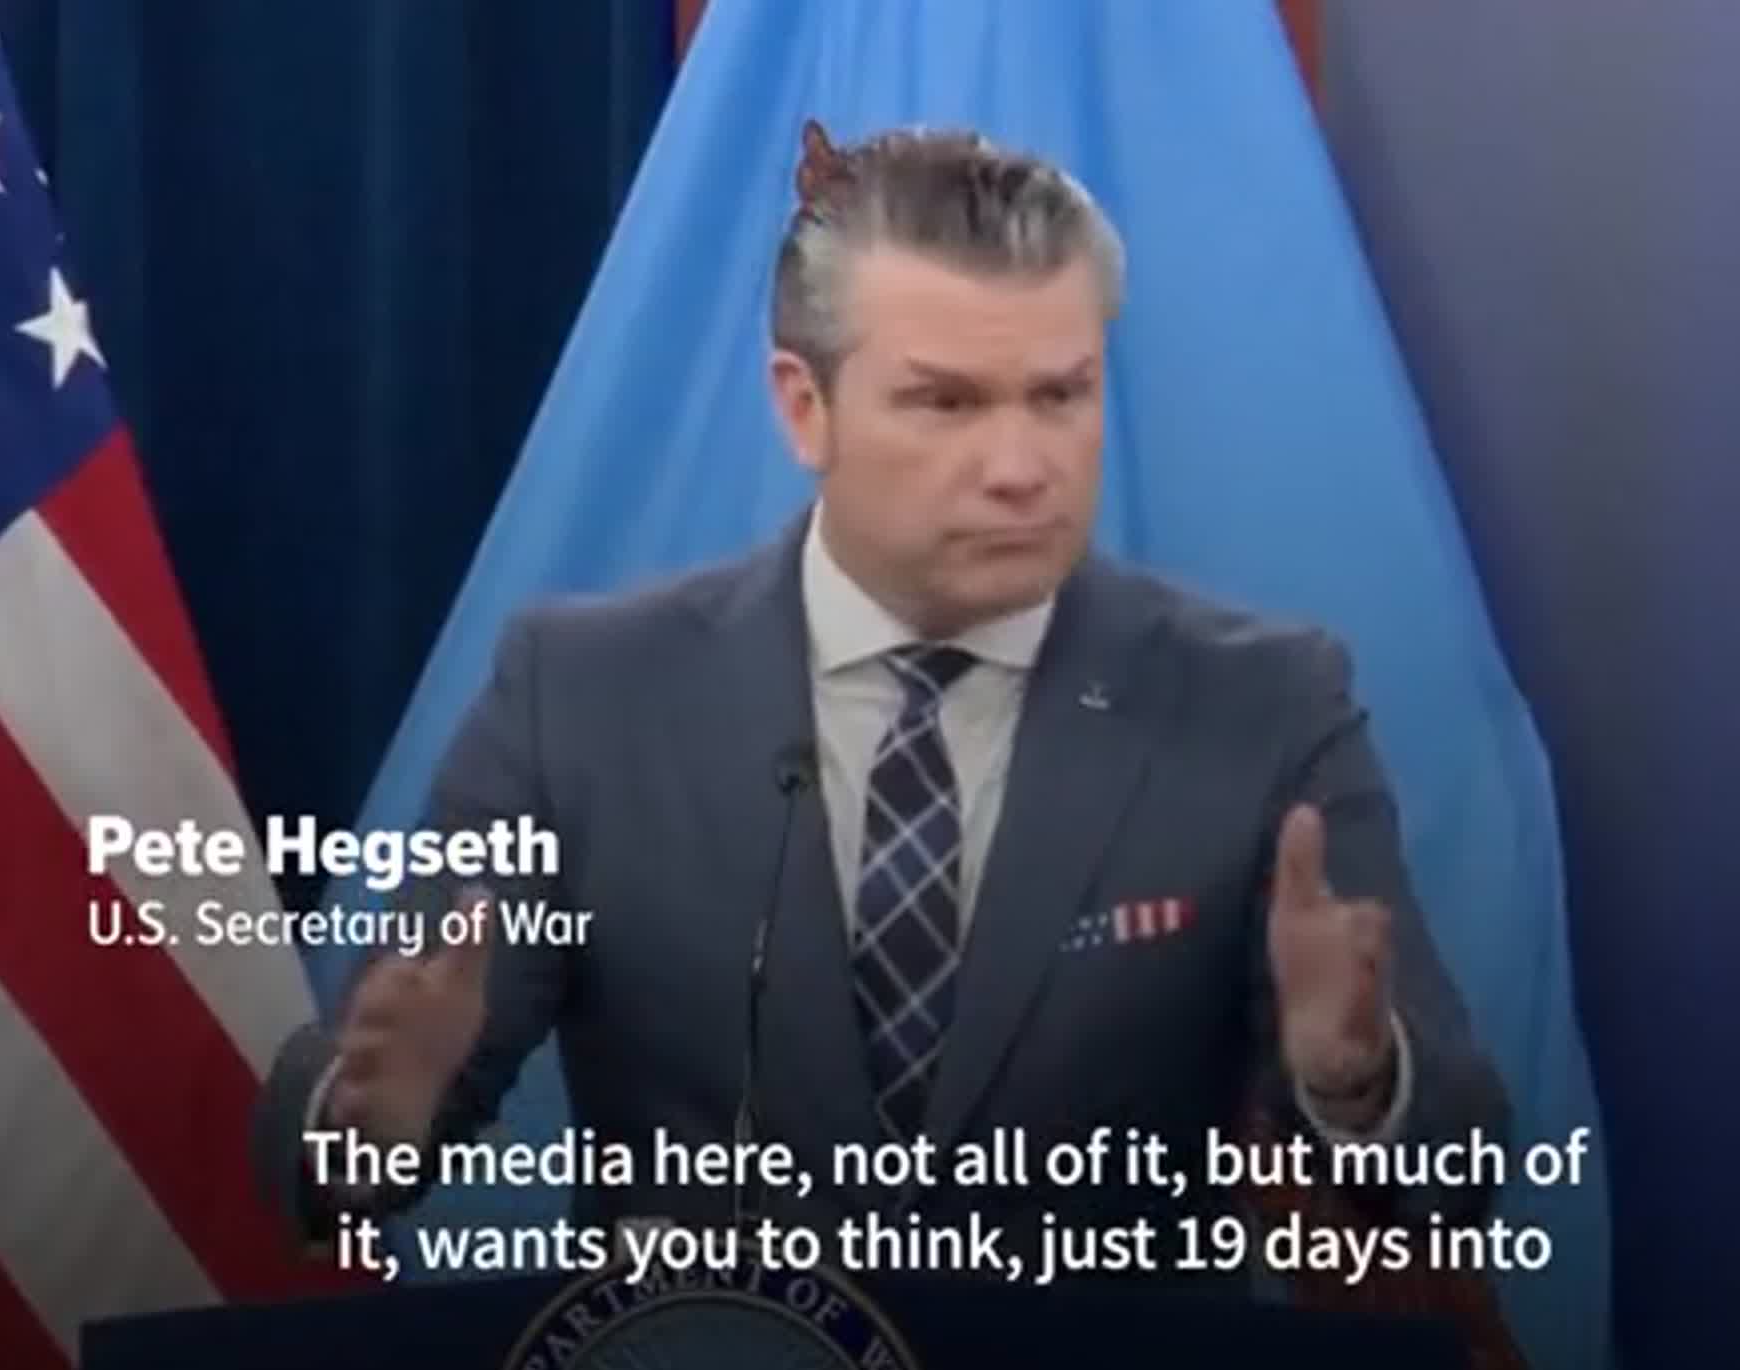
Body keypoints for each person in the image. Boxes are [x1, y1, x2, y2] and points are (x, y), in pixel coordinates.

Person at [252, 121, 1510, 1283]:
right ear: (804, 407)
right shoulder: (580, 698)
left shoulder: (1260, 704)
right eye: (945, 401)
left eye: (1060, 395)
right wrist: (369, 1123)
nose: (1019, 467)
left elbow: (1457, 1165)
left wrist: (1358, 1084)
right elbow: (351, 1120)